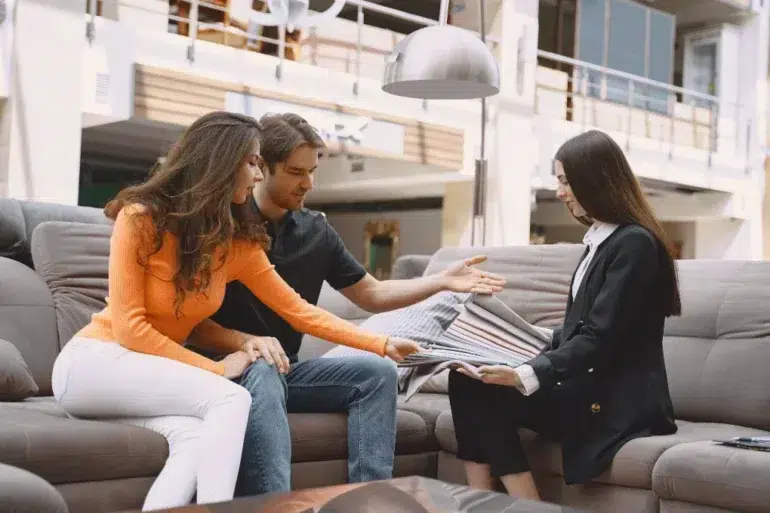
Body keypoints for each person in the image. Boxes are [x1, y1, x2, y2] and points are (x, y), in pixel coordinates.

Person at [48, 111, 423, 511]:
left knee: (193, 441)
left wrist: (380, 343)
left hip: (152, 374)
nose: (258, 175)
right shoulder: (140, 219)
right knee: (230, 399)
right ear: (221, 162)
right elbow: (130, 329)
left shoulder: (238, 244)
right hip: (94, 362)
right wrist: (218, 368)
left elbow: (299, 311)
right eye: (252, 163)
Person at [188, 112, 506, 496]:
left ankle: (368, 501)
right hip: (222, 368)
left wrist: (441, 281)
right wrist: (245, 343)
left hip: (286, 369)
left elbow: (371, 294)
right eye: (295, 172)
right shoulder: (223, 224)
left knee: (377, 373)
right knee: (265, 368)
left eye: (312, 172)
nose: (308, 183)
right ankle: (275, 506)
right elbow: (187, 322)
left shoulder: (315, 231)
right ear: (261, 168)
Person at [447, 129, 680, 499]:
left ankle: (526, 504)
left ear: (596, 180)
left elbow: (600, 337)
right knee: (466, 375)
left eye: (565, 181)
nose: (559, 192)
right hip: (582, 388)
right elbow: (578, 330)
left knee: (486, 391)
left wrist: (524, 373)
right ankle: (478, 499)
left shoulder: (634, 244)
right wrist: (508, 343)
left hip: (615, 401)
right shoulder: (600, 242)